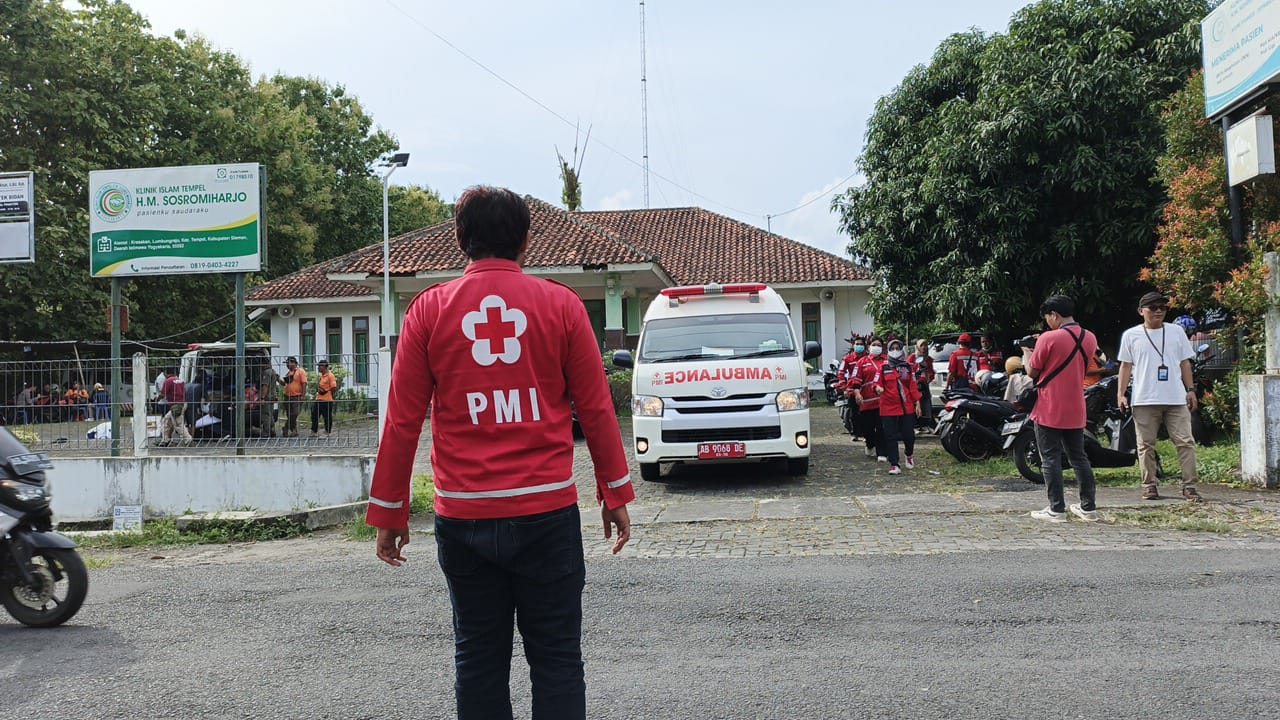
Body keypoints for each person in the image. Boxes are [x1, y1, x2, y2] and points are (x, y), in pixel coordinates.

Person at [365, 186, 633, 720]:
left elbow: (401, 422)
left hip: (464, 516)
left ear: (460, 240)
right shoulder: (563, 306)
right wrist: (615, 492)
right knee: (557, 659)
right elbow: (597, 409)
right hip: (547, 512)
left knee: (478, 659)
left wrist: (390, 512)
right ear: (526, 240)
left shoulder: (427, 311)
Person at [1117, 291, 1202, 502]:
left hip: (1175, 397)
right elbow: (1126, 366)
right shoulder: (1131, 335)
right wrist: (1121, 394)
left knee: (1185, 442)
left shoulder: (1176, 332)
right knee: (1145, 445)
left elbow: (1185, 363)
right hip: (1144, 398)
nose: (1158, 311)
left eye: (1162, 308)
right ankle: (1149, 485)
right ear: (1141, 311)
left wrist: (1190, 389)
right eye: (1153, 308)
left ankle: (1190, 486)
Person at [1025, 295, 1099, 523]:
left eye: (1047, 318)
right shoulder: (1090, 337)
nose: (1047, 322)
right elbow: (1082, 367)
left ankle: (1056, 509)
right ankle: (1088, 508)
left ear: (1054, 315)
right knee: (1079, 457)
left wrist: (1028, 351)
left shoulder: (1048, 338)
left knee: (1049, 458)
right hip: (1076, 406)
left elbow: (1032, 371)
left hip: (1049, 406)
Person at [873, 339, 922, 474]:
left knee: (909, 435)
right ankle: (894, 464)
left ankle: (909, 454)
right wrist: (878, 388)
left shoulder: (907, 367)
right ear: (888, 350)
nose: (895, 350)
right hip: (888, 407)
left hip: (906, 407)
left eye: (897, 348)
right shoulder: (883, 367)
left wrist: (918, 402)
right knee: (890, 436)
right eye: (892, 348)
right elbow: (876, 382)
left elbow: (912, 385)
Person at [850, 337, 888, 460]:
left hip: (883, 401)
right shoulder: (862, 362)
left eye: (879, 345)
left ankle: (882, 452)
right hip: (866, 402)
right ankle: (870, 443)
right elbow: (856, 381)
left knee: (882, 427)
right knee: (868, 428)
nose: (876, 347)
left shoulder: (887, 361)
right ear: (869, 347)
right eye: (874, 344)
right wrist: (857, 393)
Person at [907, 339, 935, 432]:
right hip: (914, 384)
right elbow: (909, 369)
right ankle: (915, 425)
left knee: (926, 404)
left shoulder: (929, 359)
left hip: (924, 385)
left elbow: (931, 373)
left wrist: (927, 376)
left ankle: (925, 424)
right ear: (918, 347)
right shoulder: (912, 357)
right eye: (921, 345)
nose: (923, 347)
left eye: (925, 345)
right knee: (915, 403)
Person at [159, 367, 191, 446]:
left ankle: (188, 440)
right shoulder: (180, 380)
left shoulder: (168, 381)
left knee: (178, 424)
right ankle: (165, 440)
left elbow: (163, 394)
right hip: (182, 403)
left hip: (175, 405)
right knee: (167, 420)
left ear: (166, 372)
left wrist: (157, 399)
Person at [278, 357, 307, 437]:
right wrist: (278, 379)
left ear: (294, 363)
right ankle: (294, 430)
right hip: (288, 396)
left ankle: (286, 427)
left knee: (294, 413)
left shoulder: (300, 371)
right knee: (289, 414)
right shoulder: (288, 373)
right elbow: (284, 384)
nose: (287, 365)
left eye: (289, 363)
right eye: (287, 363)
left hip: (297, 396)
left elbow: (304, 383)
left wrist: (303, 395)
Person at [310, 359, 338, 436]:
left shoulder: (330, 376)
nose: (318, 368)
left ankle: (327, 431)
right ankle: (314, 431)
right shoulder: (322, 376)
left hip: (327, 400)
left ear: (325, 367)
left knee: (327, 417)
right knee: (314, 415)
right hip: (319, 399)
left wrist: (329, 394)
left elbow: (334, 387)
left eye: (320, 366)